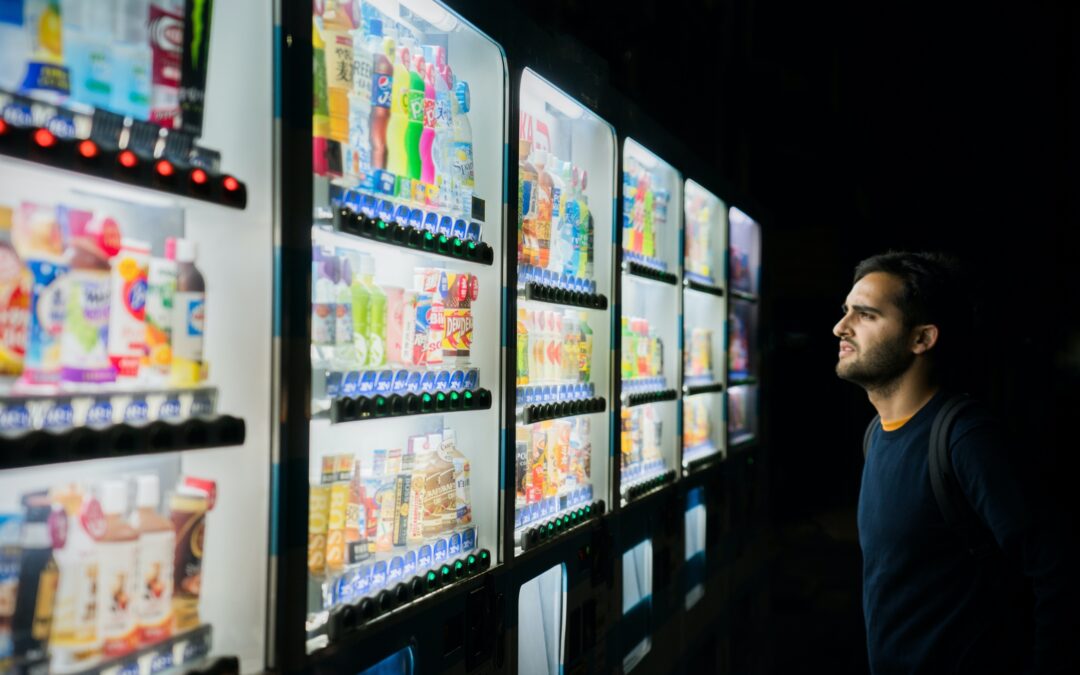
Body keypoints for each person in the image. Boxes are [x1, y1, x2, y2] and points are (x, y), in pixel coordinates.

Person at [833, 251, 1074, 674]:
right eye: (846, 312)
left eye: (866, 315)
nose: (841, 327)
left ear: (921, 339)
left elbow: (1058, 572)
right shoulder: (878, 433)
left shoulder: (965, 438)